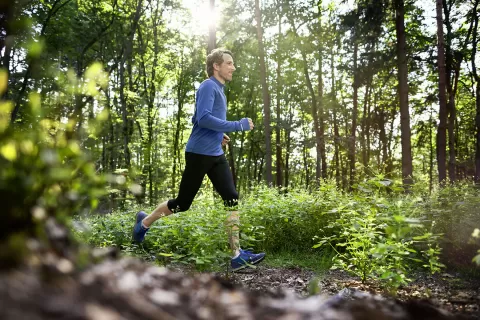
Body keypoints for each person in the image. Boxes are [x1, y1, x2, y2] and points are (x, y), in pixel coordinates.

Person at [132, 48, 265, 271]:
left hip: (215, 153)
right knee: (182, 204)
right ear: (216, 66)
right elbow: (203, 119)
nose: (233, 67)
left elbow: (198, 117)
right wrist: (236, 125)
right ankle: (144, 223)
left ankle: (236, 255)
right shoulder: (208, 86)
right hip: (198, 153)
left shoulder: (219, 90)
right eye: (229, 63)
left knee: (231, 198)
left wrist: (219, 134)